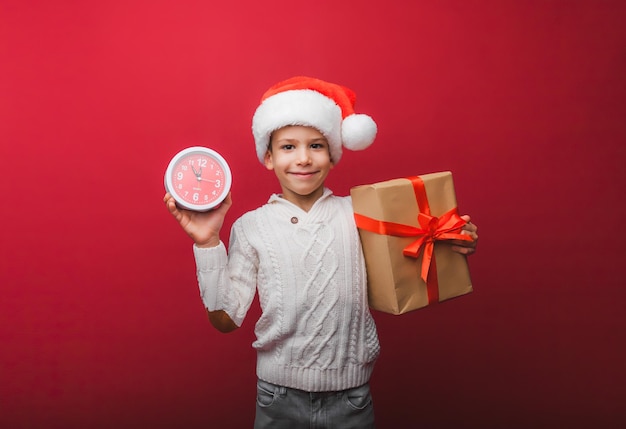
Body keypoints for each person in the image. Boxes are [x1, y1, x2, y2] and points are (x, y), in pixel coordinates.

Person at [164, 76, 478, 428]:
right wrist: (207, 243)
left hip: (352, 398)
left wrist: (453, 239)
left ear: (333, 156)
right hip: (277, 397)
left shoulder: (362, 214)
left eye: (316, 145)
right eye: (287, 147)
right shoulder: (251, 227)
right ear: (268, 157)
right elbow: (226, 320)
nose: (303, 158)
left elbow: (416, 257)